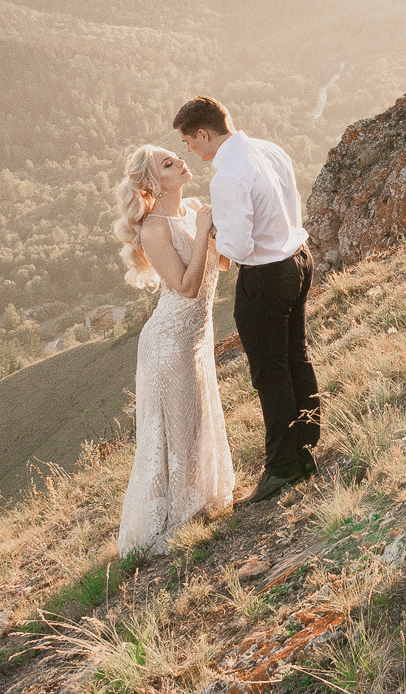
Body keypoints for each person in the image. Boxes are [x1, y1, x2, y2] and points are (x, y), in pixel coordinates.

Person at [174, 94, 320, 502]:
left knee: (269, 373)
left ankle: (282, 468)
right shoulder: (270, 150)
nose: (189, 150)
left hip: (266, 277)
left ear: (204, 134)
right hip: (299, 260)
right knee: (296, 356)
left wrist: (209, 230)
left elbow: (236, 248)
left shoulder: (227, 177)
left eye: (188, 141)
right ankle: (305, 448)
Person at [112, 144, 234, 555]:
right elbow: (186, 287)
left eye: (176, 157)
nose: (181, 162)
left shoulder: (194, 208)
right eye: (168, 164)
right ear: (154, 184)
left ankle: (199, 503)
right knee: (178, 432)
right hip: (169, 343)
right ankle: (177, 521)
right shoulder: (154, 229)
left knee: (197, 421)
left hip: (197, 336)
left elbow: (221, 266)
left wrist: (219, 226)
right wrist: (202, 230)